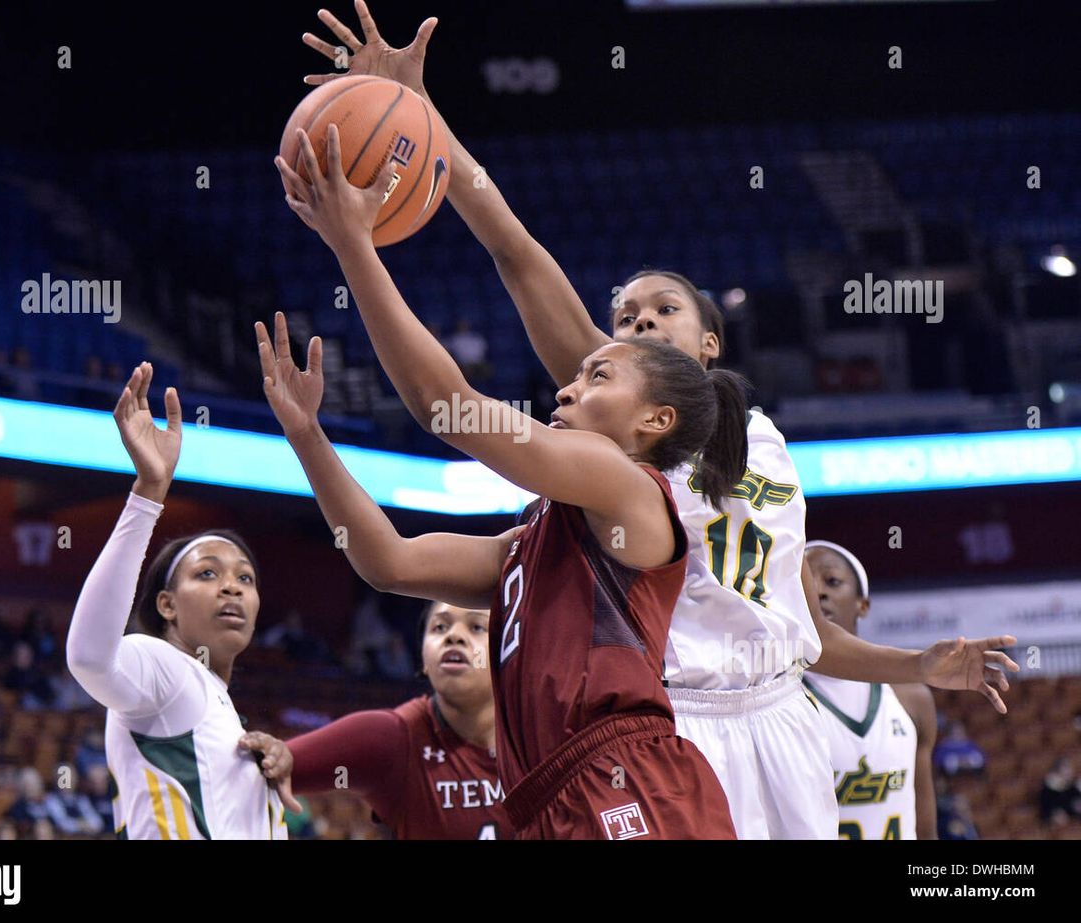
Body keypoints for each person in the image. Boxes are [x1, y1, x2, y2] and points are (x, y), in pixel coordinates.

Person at [294, 0, 1020, 839]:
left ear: (707, 343)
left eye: (659, 310)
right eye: (621, 316)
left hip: (777, 717)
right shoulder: (629, 455)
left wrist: (911, 663)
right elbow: (516, 253)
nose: (632, 325)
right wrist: (430, 131)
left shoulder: (749, 437)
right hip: (676, 720)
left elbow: (792, 624)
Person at [255, 228, 742, 840]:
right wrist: (306, 434)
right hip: (544, 798)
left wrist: (353, 243)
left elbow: (445, 406)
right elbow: (388, 563)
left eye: (597, 378)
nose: (566, 388)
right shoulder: (536, 539)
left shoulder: (629, 486)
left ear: (655, 419)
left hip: (623, 780)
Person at [65, 361, 299, 839]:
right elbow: (89, 658)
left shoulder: (216, 705)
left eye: (246, 579)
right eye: (208, 573)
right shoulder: (166, 671)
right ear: (167, 605)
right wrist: (148, 495)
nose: (232, 587)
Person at [244, 601, 510, 839]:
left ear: (508, 650)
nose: (454, 637)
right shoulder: (393, 737)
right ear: (424, 661)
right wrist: (275, 754)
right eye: (439, 628)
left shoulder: (541, 735)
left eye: (476, 627)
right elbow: (261, 768)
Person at [802, 541, 936, 839]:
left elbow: (925, 828)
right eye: (806, 585)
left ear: (863, 604)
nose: (818, 592)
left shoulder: (910, 696)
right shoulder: (775, 699)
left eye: (832, 581)